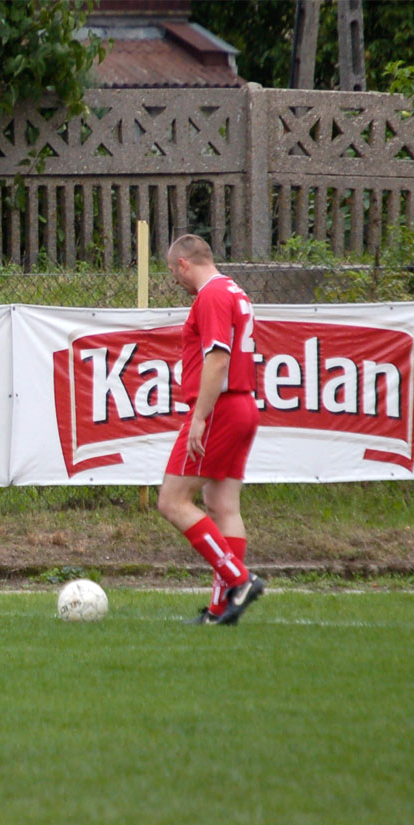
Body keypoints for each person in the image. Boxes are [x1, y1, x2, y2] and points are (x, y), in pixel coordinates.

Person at [156, 234, 265, 626]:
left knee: (172, 500)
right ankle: (222, 609)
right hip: (243, 406)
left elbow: (217, 360)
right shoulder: (235, 291)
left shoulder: (211, 295)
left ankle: (239, 580)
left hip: (221, 406)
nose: (175, 281)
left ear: (184, 263)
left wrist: (199, 417)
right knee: (223, 506)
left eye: (173, 272)